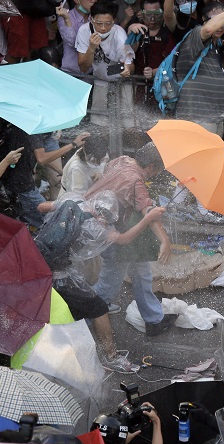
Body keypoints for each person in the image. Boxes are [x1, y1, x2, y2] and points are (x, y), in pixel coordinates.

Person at [37, 191, 164, 372]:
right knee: (99, 308)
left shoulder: (73, 200)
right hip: (59, 275)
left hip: (36, 262)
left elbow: (40, 207)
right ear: (104, 215)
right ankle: (110, 357)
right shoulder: (96, 227)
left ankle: (60, 346)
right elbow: (124, 239)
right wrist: (148, 218)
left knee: (63, 309)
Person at [85, 143, 174, 337]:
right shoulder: (136, 183)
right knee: (108, 285)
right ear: (151, 166)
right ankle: (81, 321)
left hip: (102, 223)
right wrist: (165, 241)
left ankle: (154, 320)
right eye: (157, 170)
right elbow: (149, 214)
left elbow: (109, 175)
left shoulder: (122, 160)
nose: (156, 174)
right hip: (108, 232)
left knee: (141, 272)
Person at [174, 0, 224, 136]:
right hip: (197, 116)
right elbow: (208, 29)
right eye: (217, 21)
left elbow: (220, 69)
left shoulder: (215, 45)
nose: (220, 27)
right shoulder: (194, 36)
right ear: (203, 19)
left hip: (214, 117)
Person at [76, 1, 136, 128]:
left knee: (128, 122)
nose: (103, 28)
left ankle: (128, 146)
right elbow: (83, 67)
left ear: (114, 21)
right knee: (99, 122)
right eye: (99, 23)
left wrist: (127, 69)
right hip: (100, 79)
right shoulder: (84, 31)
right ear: (91, 19)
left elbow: (131, 66)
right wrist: (91, 48)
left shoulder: (119, 36)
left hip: (121, 82)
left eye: (107, 24)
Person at [127, 0, 177, 82]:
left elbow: (173, 62)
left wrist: (155, 71)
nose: (152, 19)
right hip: (138, 82)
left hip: (163, 82)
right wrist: (130, 33)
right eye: (148, 14)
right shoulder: (137, 30)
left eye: (156, 14)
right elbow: (127, 55)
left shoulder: (167, 33)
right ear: (142, 14)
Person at [57, 0, 97, 72]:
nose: (93, 0)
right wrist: (67, 19)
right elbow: (73, 43)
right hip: (71, 72)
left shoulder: (96, 18)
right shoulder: (65, 16)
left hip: (92, 73)